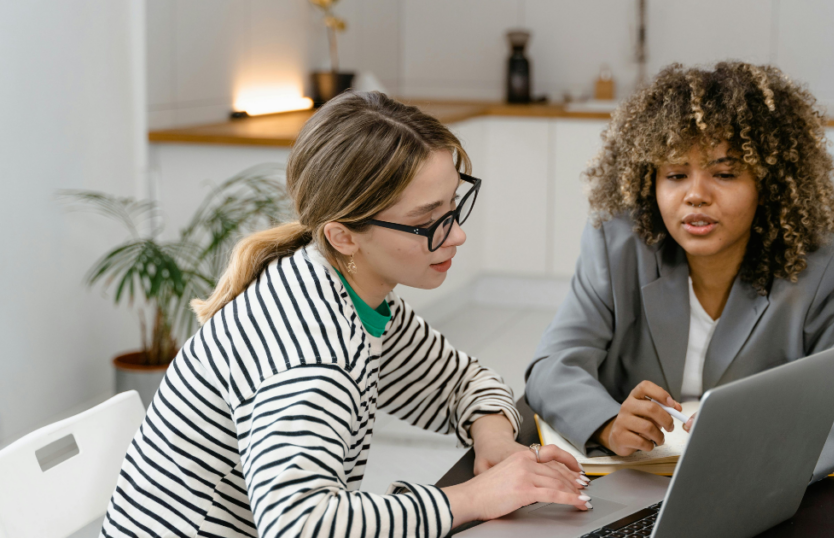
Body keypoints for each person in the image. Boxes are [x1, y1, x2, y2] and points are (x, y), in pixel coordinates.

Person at [100, 91, 592, 538]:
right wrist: (472, 498)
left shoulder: (352, 295)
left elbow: (462, 382)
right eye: (428, 222)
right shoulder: (311, 351)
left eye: (453, 207)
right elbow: (301, 524)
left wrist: (497, 442)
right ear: (343, 236)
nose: (456, 235)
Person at [524, 62, 834, 481]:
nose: (696, 196)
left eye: (724, 173)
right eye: (675, 174)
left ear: (768, 182)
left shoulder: (824, 265)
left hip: (753, 492)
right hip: (630, 484)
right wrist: (607, 423)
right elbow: (553, 365)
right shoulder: (617, 246)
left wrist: (770, 453)